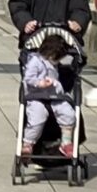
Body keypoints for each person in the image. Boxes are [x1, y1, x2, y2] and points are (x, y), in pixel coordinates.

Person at [20, 24, 81, 158]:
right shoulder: (35, 61)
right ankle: (28, 143)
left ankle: (66, 142)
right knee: (37, 116)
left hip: (54, 95)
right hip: (36, 95)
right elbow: (28, 78)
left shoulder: (55, 64)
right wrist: (39, 83)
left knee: (68, 113)